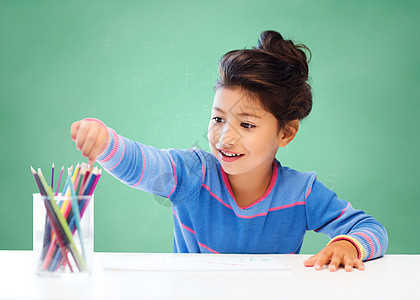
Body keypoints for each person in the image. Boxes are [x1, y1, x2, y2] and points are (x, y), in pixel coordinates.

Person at [71, 30, 388, 272]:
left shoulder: (301, 193)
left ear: (286, 132)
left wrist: (349, 244)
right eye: (218, 118)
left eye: (247, 125)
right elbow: (146, 164)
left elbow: (371, 229)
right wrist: (105, 143)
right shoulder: (192, 173)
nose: (225, 137)